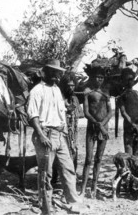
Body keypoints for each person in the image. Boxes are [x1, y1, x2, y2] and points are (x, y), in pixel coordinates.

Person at [26, 59, 84, 213]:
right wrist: (41, 135)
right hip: (45, 134)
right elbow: (33, 116)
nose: (55, 75)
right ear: (44, 72)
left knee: (68, 168)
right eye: (52, 72)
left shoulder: (57, 90)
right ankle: (46, 207)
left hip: (60, 135)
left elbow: (61, 114)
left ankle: (72, 201)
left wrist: (65, 134)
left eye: (57, 73)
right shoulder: (36, 91)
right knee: (46, 173)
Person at [80, 66, 112, 198]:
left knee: (99, 159)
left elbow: (110, 112)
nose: (99, 79)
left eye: (101, 77)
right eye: (97, 77)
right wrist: (97, 124)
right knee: (88, 159)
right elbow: (86, 112)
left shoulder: (106, 92)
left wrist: (102, 125)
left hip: (103, 129)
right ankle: (82, 189)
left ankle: (93, 188)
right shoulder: (87, 91)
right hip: (91, 128)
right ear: (92, 78)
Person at [118, 68, 138, 156]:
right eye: (128, 80)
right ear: (124, 81)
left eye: (132, 80)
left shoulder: (136, 93)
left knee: (136, 153)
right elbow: (123, 113)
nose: (131, 82)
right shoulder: (122, 95)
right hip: (129, 127)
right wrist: (133, 125)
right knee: (129, 153)